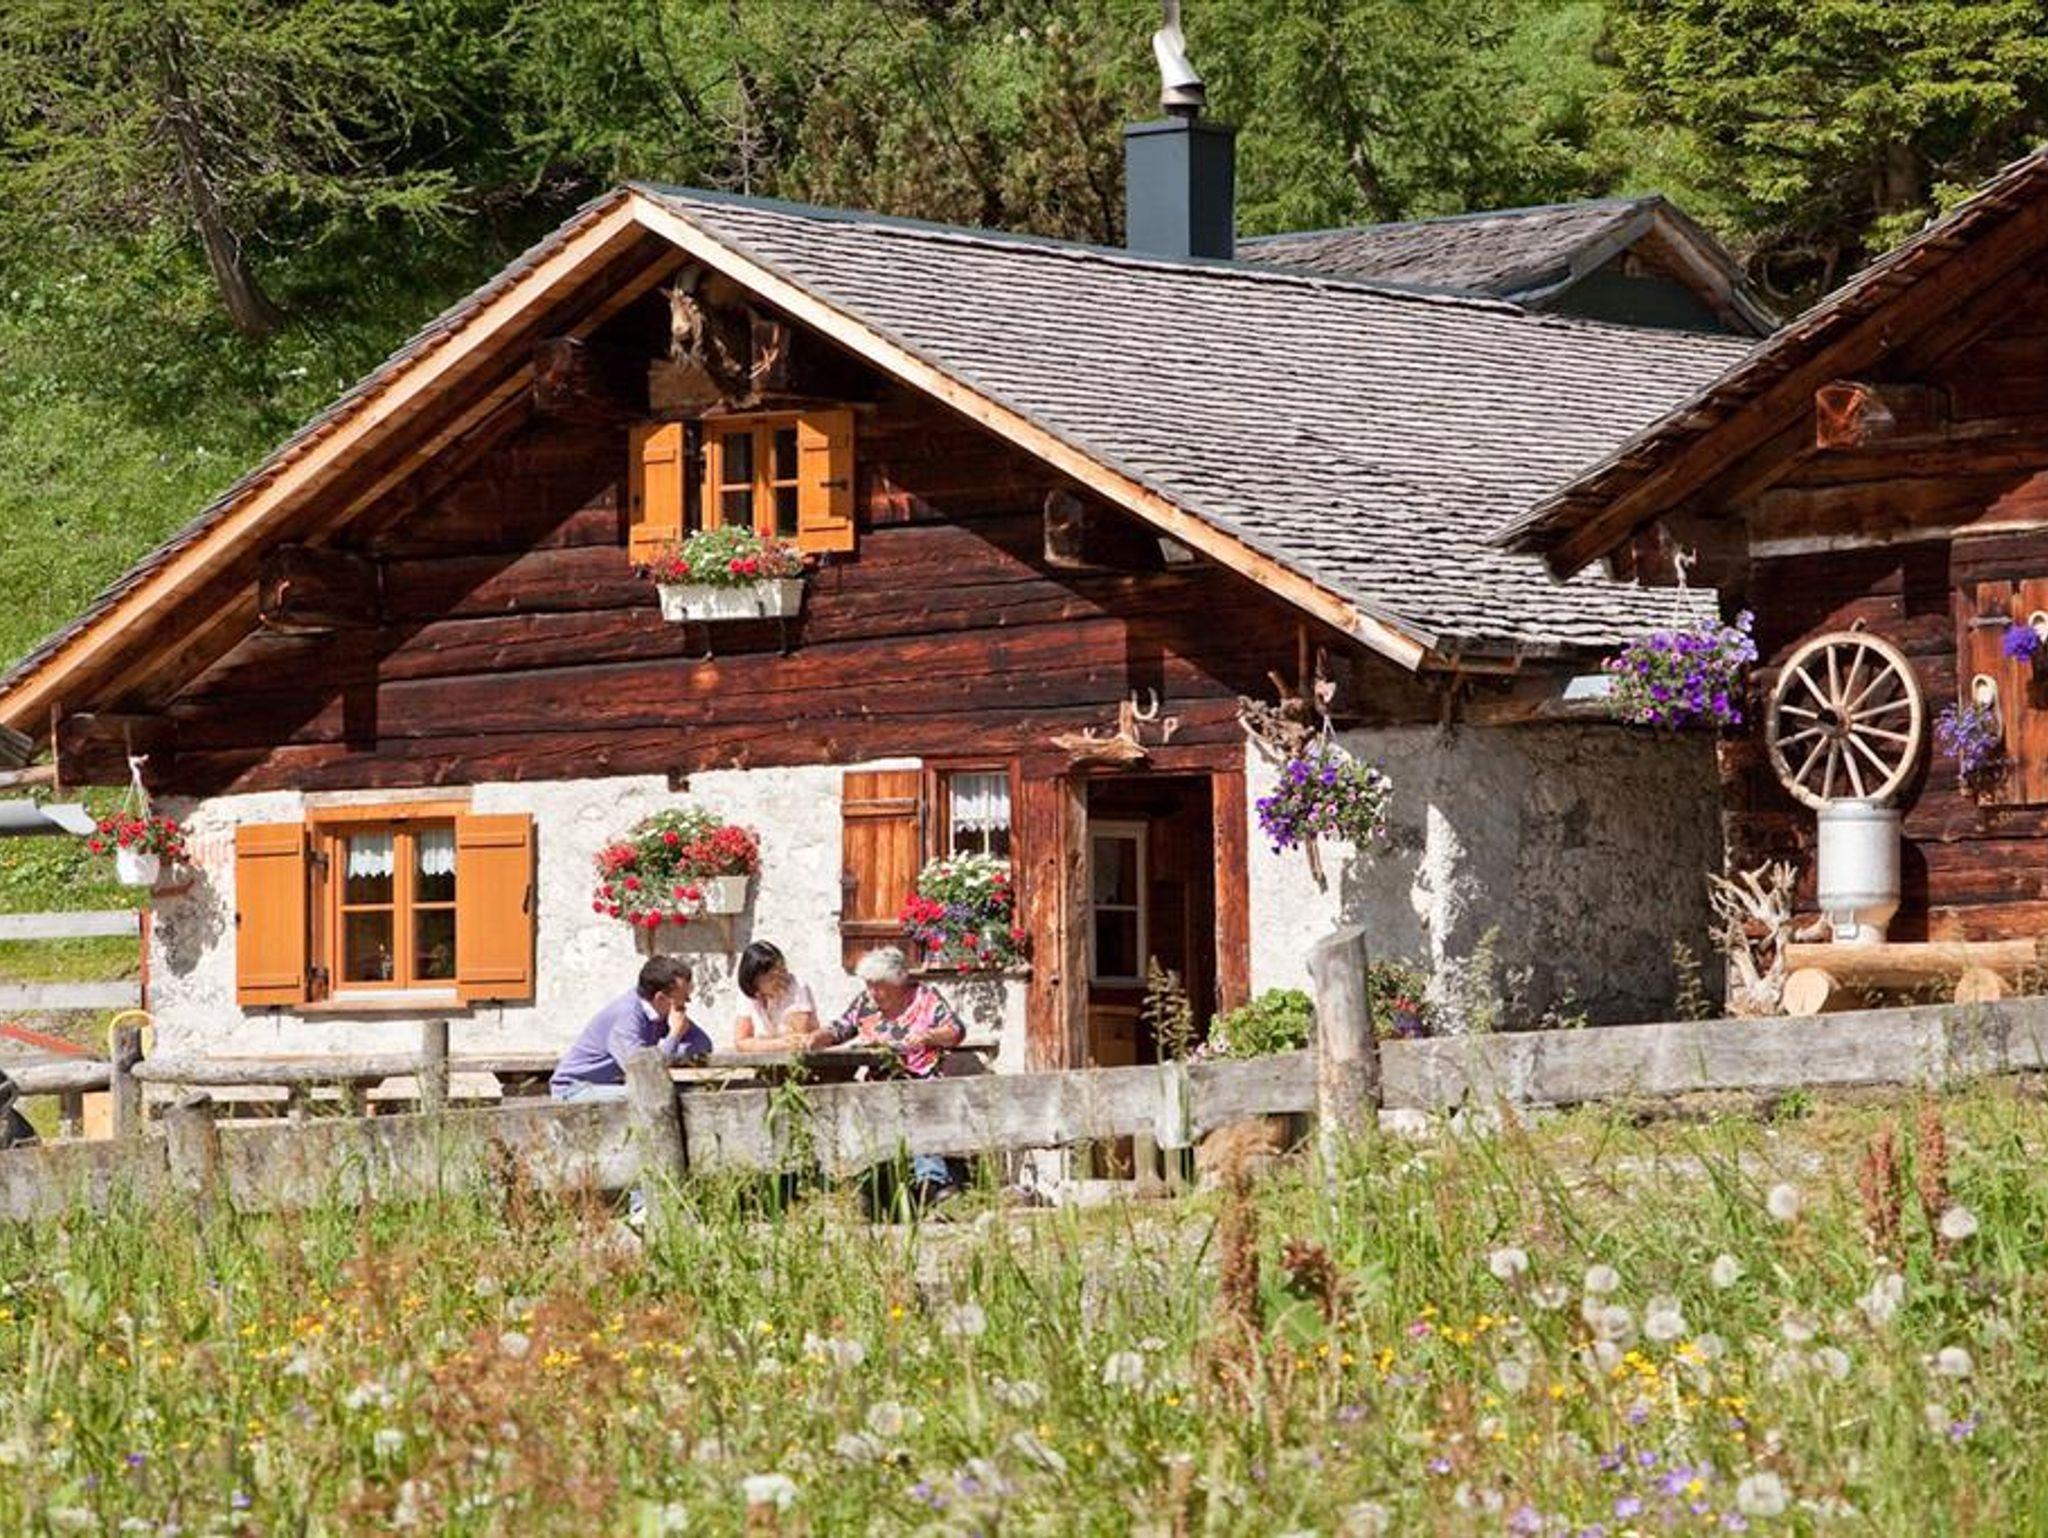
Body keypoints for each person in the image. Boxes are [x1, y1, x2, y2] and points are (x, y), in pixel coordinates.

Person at [812, 946, 965, 1203]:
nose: (872, 992)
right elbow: (840, 1028)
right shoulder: (866, 1003)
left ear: (898, 982)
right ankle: (860, 1185)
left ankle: (931, 1184)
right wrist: (817, 1037)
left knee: (918, 1108)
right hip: (878, 1087)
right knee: (852, 1106)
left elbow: (956, 1030)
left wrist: (929, 1036)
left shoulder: (924, 999)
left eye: (879, 986)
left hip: (920, 1082)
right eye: (869, 985)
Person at [550, 956, 712, 1102]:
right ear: (661, 998)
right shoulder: (627, 1017)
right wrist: (674, 1036)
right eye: (683, 998)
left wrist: (667, 1049)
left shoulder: (662, 1012)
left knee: (690, 1092)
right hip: (574, 1089)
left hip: (611, 1086)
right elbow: (645, 1072)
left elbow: (703, 1044)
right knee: (654, 1096)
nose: (686, 1002)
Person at [732, 941, 820, 1053]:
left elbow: (797, 1041)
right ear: (754, 980)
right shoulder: (748, 995)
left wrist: (757, 1045)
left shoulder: (798, 987)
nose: (782, 979)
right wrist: (779, 1044)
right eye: (772, 976)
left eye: (783, 970)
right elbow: (741, 1042)